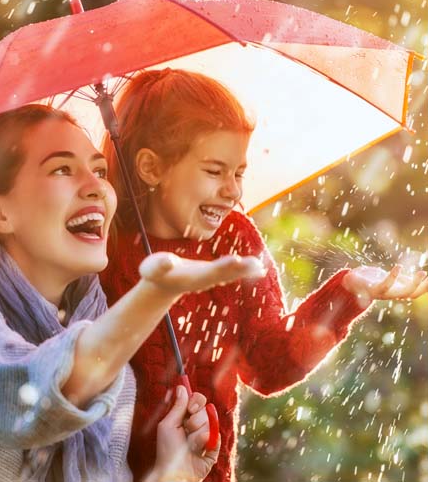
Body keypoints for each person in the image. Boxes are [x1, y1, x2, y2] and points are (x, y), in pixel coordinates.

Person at [100, 68, 428, 482]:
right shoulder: (104, 252)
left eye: (238, 173)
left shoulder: (235, 240)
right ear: (150, 168)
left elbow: (269, 365)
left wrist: (346, 293)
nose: (233, 192)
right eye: (214, 171)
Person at [0, 104, 264, 482]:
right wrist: (156, 294)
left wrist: (173, 473)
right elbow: (24, 403)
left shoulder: (108, 363)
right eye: (62, 169)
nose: (97, 187)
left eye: (100, 171)